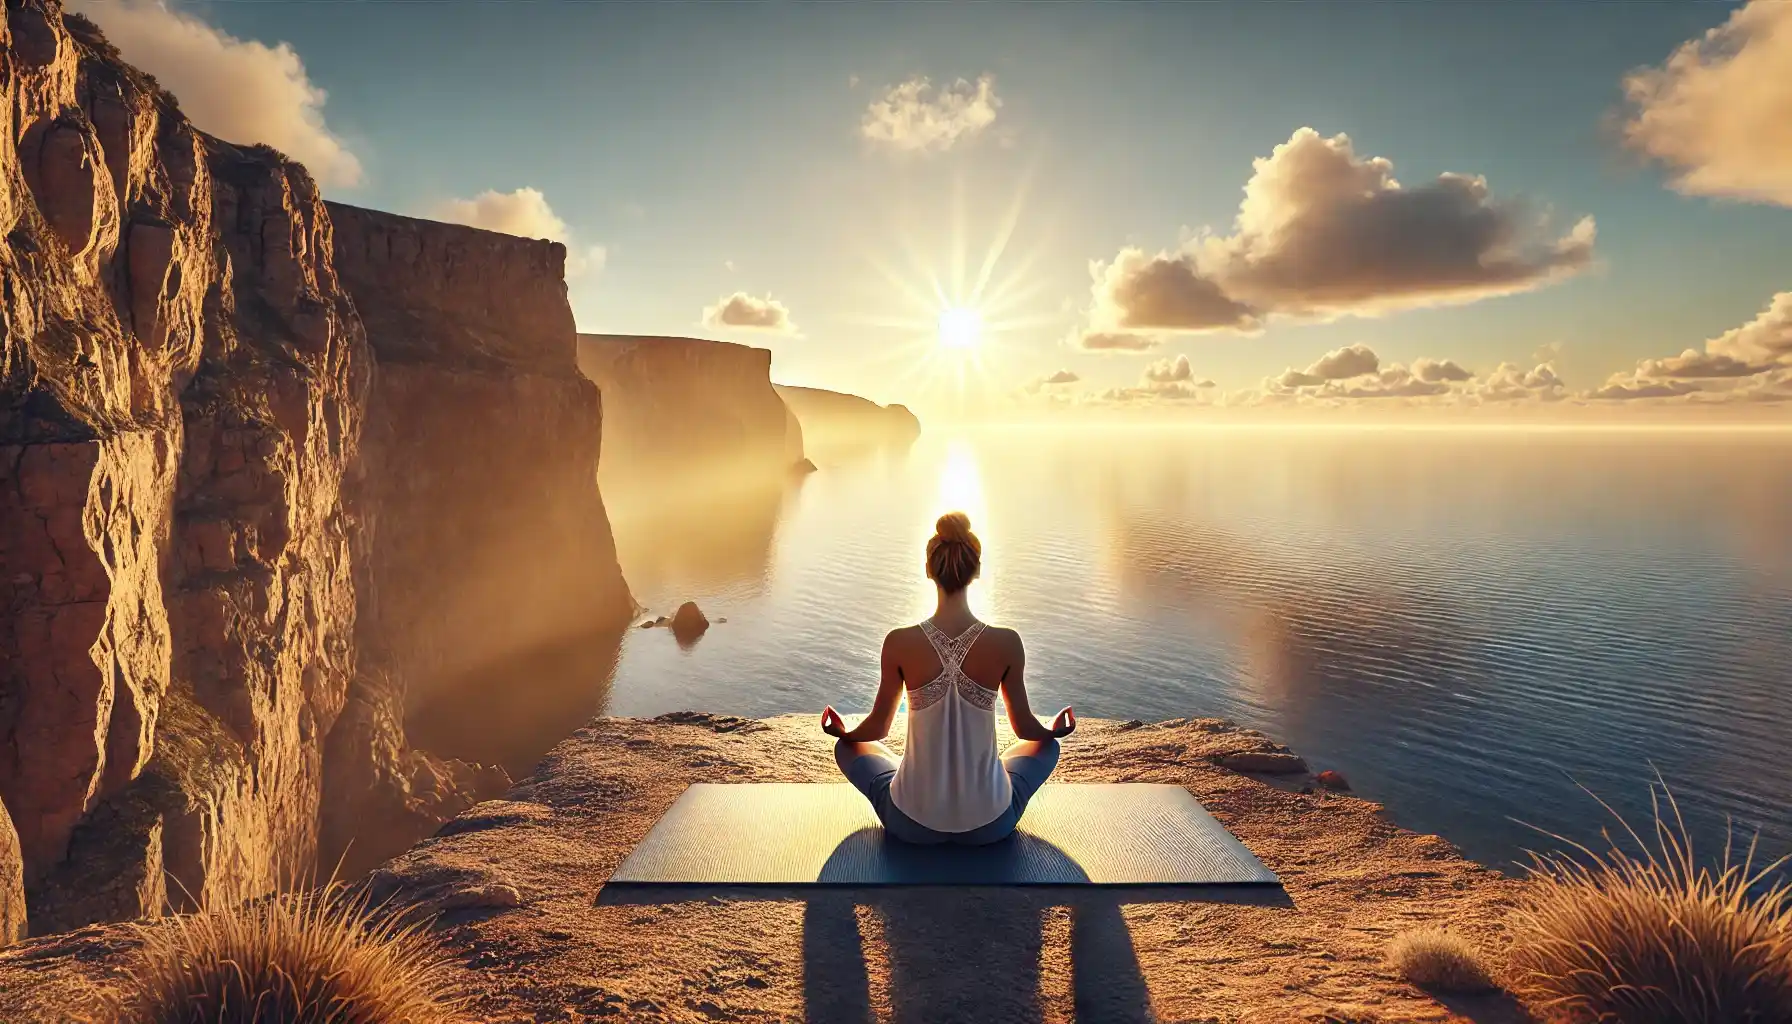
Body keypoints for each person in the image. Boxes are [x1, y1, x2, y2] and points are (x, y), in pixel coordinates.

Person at [822, 511, 1075, 845]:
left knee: (848, 749)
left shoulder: (898, 642)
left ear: (929, 570)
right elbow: (1026, 730)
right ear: (977, 570)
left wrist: (844, 732)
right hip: (991, 825)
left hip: (910, 824)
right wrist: (1055, 730)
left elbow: (878, 728)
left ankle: (915, 780)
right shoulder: (1007, 642)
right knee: (1046, 749)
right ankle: (981, 789)